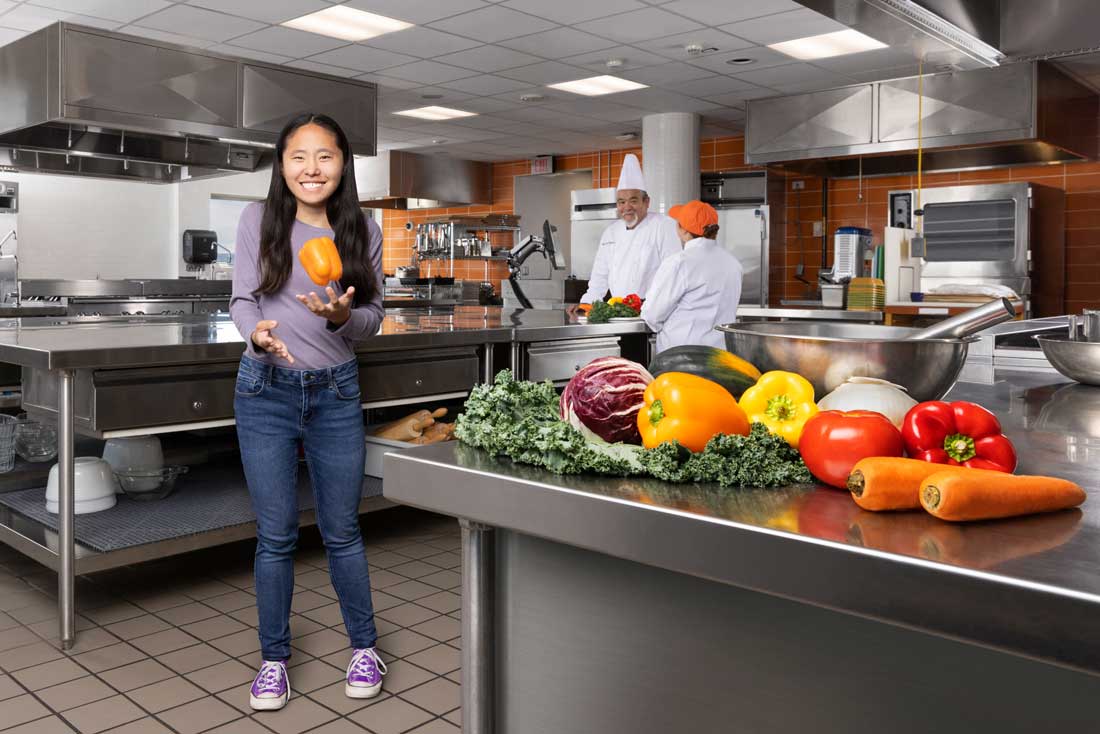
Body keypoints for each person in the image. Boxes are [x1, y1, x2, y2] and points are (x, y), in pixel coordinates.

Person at [229, 112, 387, 712]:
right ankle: (274, 661)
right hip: (264, 391)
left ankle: (364, 647)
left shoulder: (361, 228)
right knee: (275, 537)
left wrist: (344, 319)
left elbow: (372, 317)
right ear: (281, 164)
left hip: (336, 394)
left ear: (343, 164)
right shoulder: (258, 219)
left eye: (325, 156)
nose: (311, 168)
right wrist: (257, 336)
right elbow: (243, 300)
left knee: (342, 531)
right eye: (299, 156)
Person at [570, 154, 680, 312]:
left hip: (653, 309)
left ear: (646, 202)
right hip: (618, 312)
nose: (627, 207)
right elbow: (599, 278)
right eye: (621, 202)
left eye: (633, 201)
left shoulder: (664, 226)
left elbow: (672, 276)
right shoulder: (611, 232)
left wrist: (653, 309)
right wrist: (587, 304)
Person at [640, 200, 743, 354]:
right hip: (721, 355)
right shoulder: (733, 264)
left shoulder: (679, 263)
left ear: (683, 230)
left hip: (681, 355)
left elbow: (652, 315)